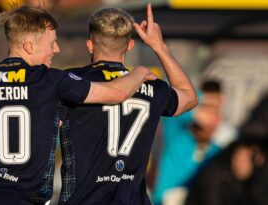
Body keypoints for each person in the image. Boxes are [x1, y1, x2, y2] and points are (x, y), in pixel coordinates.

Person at [0, 5, 156, 205]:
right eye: (51, 43)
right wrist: (139, 72)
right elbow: (117, 93)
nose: (56, 50)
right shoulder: (49, 81)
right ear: (29, 46)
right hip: (18, 197)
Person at [58, 4, 197, 205]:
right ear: (130, 45)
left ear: (90, 45)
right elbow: (189, 97)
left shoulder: (73, 83)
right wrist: (159, 46)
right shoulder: (151, 86)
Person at [152, 79, 237, 205]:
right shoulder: (177, 133)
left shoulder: (218, 148)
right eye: (207, 108)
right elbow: (171, 108)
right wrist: (201, 101)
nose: (211, 115)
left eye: (216, 110)